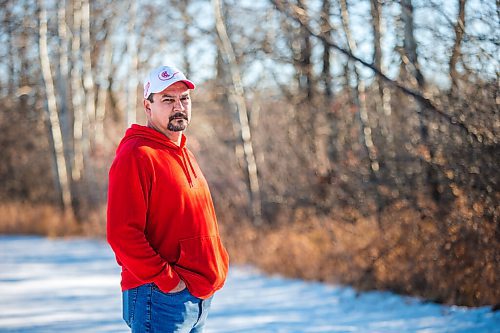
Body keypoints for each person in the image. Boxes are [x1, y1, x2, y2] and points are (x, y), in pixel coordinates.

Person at [107, 65, 229, 333]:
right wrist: (168, 281)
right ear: (148, 107)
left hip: (197, 296)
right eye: (167, 99)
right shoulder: (137, 154)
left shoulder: (182, 150)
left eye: (184, 98)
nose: (179, 106)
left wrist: (217, 259)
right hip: (160, 298)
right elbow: (122, 234)